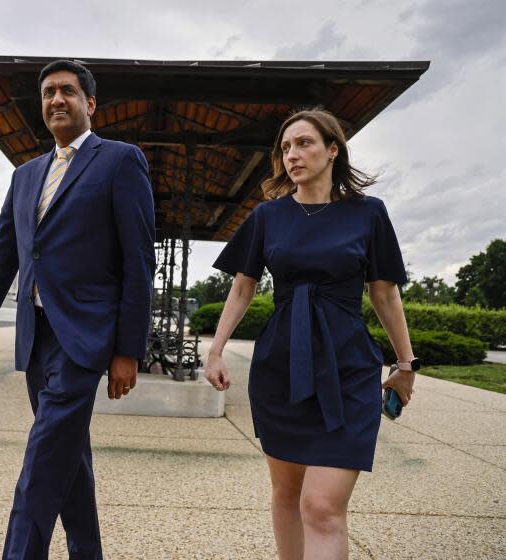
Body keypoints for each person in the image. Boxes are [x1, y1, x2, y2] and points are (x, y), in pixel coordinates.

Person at [0, 59, 155, 559]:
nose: (56, 100)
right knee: (68, 461)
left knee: (40, 465)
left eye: (67, 91)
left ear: (90, 103)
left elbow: (138, 262)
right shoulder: (24, 176)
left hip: (85, 340)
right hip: (35, 339)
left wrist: (129, 349)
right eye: (48, 93)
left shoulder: (120, 161)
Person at [204, 108, 417, 560]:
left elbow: (384, 293)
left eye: (304, 143)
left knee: (321, 507)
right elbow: (242, 287)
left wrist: (405, 365)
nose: (292, 155)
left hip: (348, 365)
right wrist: (216, 348)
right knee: (286, 495)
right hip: (281, 364)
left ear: (333, 149)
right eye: (285, 148)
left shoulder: (368, 214)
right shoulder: (268, 216)